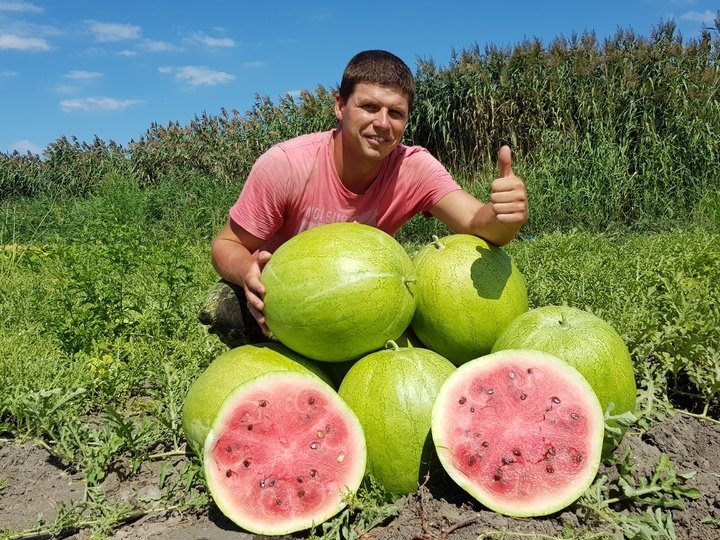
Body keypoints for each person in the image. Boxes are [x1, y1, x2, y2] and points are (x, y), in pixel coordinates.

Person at [199, 49, 528, 347]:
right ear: (340, 106)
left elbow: (475, 222)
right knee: (226, 305)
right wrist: (247, 273)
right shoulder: (286, 165)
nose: (382, 124)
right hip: (287, 303)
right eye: (369, 107)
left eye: (395, 113)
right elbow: (226, 245)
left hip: (363, 303)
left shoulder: (413, 168)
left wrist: (503, 217)